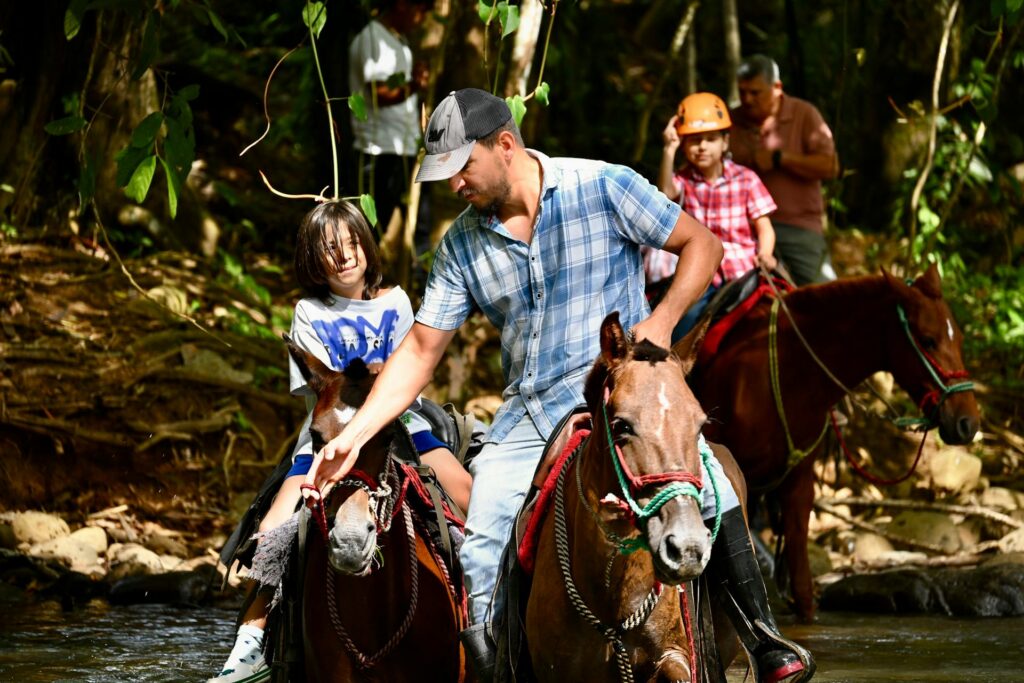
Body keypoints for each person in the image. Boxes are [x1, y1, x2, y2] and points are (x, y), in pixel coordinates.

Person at [303, 89, 814, 683]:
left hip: (624, 394)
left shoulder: (605, 186)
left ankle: (764, 639)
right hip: (530, 411)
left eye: (462, 169)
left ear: (505, 145)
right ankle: (501, 670)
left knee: (715, 486)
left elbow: (702, 244)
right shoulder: (461, 245)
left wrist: (663, 320)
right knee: (483, 542)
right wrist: (355, 434)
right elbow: (420, 350)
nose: (454, 187)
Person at [207, 200, 471, 683]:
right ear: (313, 259)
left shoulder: (396, 301)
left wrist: (384, 377)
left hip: (399, 424)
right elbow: (317, 384)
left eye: (352, 244)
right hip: (331, 430)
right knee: (274, 529)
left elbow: (410, 368)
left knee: (467, 496)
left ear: (367, 247)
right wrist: (356, 375)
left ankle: (481, 618)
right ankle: (251, 647)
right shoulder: (308, 312)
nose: (345, 256)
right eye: (331, 249)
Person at [648, 91, 777, 341]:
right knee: (685, 320)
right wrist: (668, 148)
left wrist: (767, 253)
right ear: (684, 145)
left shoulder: (746, 178)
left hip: (744, 271)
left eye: (710, 139)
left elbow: (764, 227)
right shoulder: (683, 181)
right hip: (702, 271)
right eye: (694, 140)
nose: (702, 146)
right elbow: (665, 193)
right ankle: (673, 365)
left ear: (725, 142)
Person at [729, 54, 839, 286]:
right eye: (742, 92)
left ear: (777, 87)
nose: (747, 100)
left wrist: (781, 159)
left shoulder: (804, 114)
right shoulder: (731, 120)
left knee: (825, 293)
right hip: (742, 230)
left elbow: (831, 166)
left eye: (755, 93)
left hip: (797, 226)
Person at [348, 0, 431, 238]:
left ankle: (413, 271)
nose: (422, 18)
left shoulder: (398, 42)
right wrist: (414, 84)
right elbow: (379, 94)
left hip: (401, 149)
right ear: (402, 4)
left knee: (417, 226)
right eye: (421, 9)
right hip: (378, 149)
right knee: (368, 230)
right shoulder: (374, 39)